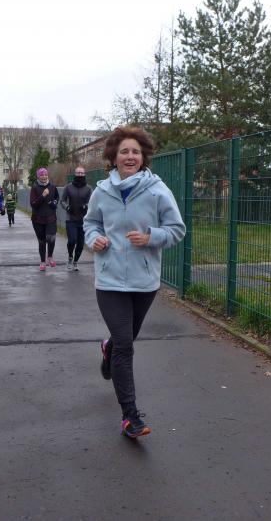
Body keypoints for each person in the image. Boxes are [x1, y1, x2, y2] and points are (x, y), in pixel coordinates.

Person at [83, 126, 185, 439]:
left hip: (144, 281)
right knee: (126, 346)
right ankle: (130, 416)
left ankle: (108, 348)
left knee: (124, 340)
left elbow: (177, 229)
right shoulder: (102, 191)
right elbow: (91, 223)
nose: (130, 156)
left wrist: (150, 237)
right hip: (109, 280)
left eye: (136, 152)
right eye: (124, 151)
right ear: (113, 157)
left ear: (143, 158)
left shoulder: (157, 190)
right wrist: (94, 239)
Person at [60, 166, 92, 271]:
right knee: (72, 240)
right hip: (71, 218)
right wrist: (67, 207)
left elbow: (92, 202)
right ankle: (70, 256)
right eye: (78, 173)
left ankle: (75, 261)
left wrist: (86, 206)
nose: (80, 175)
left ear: (84, 174)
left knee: (81, 244)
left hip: (83, 220)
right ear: (75, 174)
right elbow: (62, 200)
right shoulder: (68, 187)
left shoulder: (88, 188)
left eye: (82, 173)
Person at [30, 167, 60, 271]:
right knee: (42, 241)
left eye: (45, 175)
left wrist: (54, 202)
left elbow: (57, 197)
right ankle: (43, 261)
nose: (44, 177)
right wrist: (43, 196)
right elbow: (33, 204)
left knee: (51, 238)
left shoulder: (52, 187)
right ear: (38, 176)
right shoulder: (35, 188)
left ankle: (50, 256)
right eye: (42, 175)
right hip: (38, 219)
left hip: (51, 217)